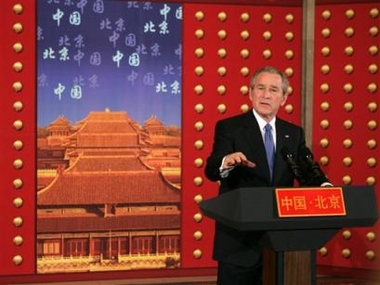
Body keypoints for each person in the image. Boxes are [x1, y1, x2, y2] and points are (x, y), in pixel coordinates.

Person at [204, 66, 331, 285]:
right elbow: (212, 169)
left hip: (282, 242)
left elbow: (308, 171)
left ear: (283, 98)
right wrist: (227, 161)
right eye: (260, 88)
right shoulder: (230, 127)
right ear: (251, 93)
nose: (266, 95)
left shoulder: (293, 133)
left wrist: (327, 188)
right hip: (239, 243)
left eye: (273, 89)